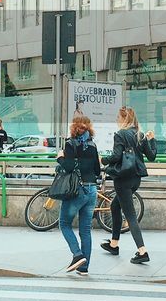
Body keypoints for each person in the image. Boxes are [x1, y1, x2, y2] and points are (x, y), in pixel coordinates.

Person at [98, 106, 157, 264]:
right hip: (136, 178)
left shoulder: (120, 134)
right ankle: (114, 244)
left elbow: (117, 156)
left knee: (130, 216)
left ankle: (142, 251)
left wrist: (103, 160)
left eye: (118, 117)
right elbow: (151, 156)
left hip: (123, 179)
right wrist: (152, 139)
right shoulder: (140, 134)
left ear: (123, 119)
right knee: (115, 207)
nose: (117, 120)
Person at [56, 114, 102, 276]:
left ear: (74, 127)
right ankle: (84, 267)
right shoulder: (93, 145)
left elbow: (68, 167)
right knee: (85, 230)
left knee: (64, 224)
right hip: (92, 191)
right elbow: (97, 170)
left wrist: (60, 158)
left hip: (78, 190)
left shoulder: (70, 144)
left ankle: (77, 255)